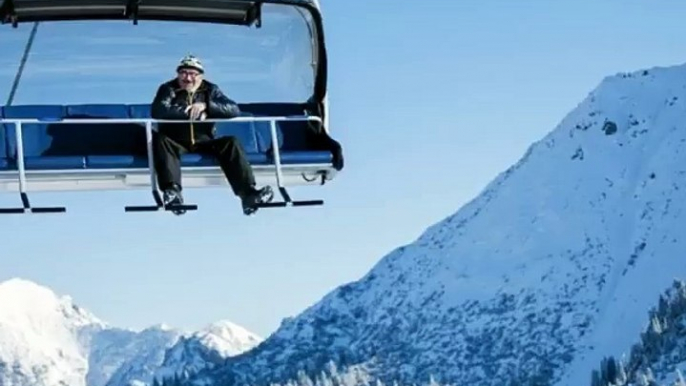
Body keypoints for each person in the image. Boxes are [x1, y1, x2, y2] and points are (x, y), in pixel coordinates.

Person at [151, 55, 273, 216]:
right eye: (183, 73)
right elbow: (159, 110)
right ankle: (172, 192)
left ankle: (248, 193)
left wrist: (207, 106)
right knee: (161, 140)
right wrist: (187, 111)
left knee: (231, 142)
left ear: (200, 76)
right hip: (176, 141)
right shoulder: (168, 89)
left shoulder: (210, 90)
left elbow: (233, 109)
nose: (187, 78)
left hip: (204, 141)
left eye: (192, 74)